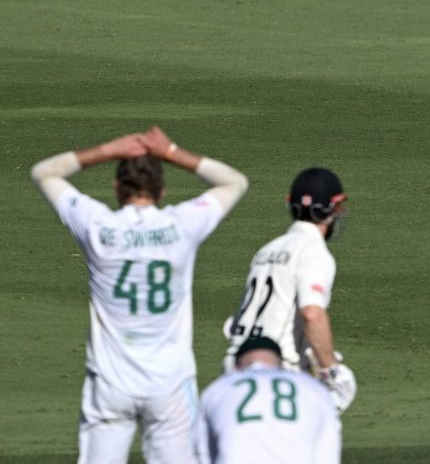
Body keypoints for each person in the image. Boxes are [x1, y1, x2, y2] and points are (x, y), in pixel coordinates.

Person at [30, 127, 248, 463]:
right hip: (169, 385)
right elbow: (234, 182)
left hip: (110, 385)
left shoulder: (98, 227)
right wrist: (171, 151)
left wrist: (107, 149)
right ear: (161, 190)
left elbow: (44, 172)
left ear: (117, 187)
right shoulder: (180, 226)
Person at [223, 167, 355, 415]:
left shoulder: (267, 250)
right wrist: (332, 370)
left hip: (234, 367)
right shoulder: (314, 252)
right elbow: (312, 314)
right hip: (275, 375)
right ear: (333, 209)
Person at [196, 336, 341, 464]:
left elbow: (201, 454)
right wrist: (334, 372)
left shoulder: (217, 389)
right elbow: (327, 455)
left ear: (236, 365)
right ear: (280, 363)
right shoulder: (312, 388)